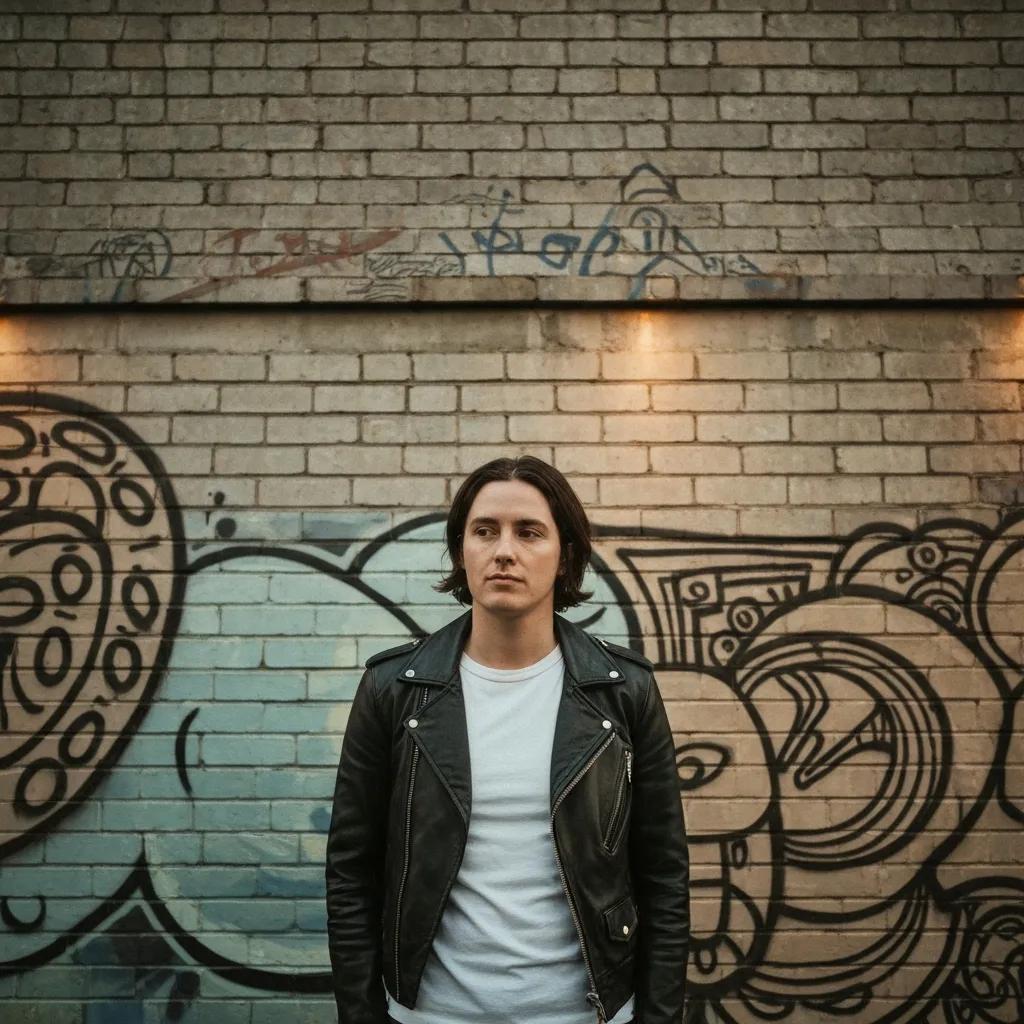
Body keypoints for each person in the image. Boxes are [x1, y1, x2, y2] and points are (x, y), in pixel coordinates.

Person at [326, 455, 690, 1024]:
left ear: (565, 553)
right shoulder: (393, 690)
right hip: (430, 1014)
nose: (504, 551)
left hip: (586, 1013)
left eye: (529, 532)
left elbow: (664, 875)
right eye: (484, 531)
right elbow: (351, 869)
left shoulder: (624, 693)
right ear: (460, 551)